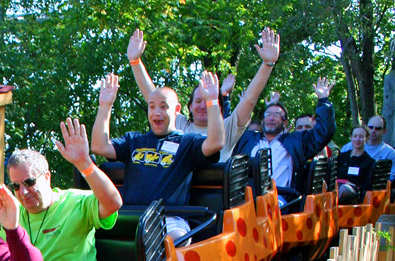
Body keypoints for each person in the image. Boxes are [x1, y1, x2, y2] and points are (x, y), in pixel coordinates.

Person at [0, 118, 122, 261]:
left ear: (46, 177)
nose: (23, 192)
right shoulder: (10, 211)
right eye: (15, 186)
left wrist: (85, 164)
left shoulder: (76, 202)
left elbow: (113, 202)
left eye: (29, 182)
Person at [91, 70, 225, 242]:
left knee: (176, 239)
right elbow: (99, 146)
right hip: (133, 217)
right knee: (93, 233)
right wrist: (105, 106)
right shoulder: (134, 140)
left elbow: (215, 143)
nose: (157, 112)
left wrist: (212, 102)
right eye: (152, 106)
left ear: (177, 110)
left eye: (163, 106)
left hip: (168, 218)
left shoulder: (187, 142)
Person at [125, 26, 280, 161]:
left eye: (208, 100)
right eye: (198, 101)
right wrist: (135, 62)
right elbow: (153, 96)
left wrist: (267, 64)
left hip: (214, 193)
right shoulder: (179, 126)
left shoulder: (227, 128)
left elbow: (249, 100)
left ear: (218, 107)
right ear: (190, 107)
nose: (202, 105)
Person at [233, 80, 335, 193]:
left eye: (277, 115)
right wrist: (226, 98)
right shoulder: (248, 139)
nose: (271, 118)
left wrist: (323, 100)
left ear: (285, 123)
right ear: (263, 120)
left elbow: (323, 133)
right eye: (268, 114)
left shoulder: (295, 142)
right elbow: (227, 131)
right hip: (246, 203)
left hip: (279, 203)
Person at [340, 115, 395, 182]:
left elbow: (390, 178)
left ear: (384, 131)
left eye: (378, 128)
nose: (373, 130)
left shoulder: (390, 153)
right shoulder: (349, 147)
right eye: (370, 127)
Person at [336, 126, 376, 203]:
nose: (357, 139)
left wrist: (352, 184)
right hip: (336, 187)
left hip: (353, 193)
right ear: (351, 137)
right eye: (355, 136)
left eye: (361, 137)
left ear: (366, 139)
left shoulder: (369, 162)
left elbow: (367, 186)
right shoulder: (342, 157)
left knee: (344, 189)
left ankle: (330, 211)